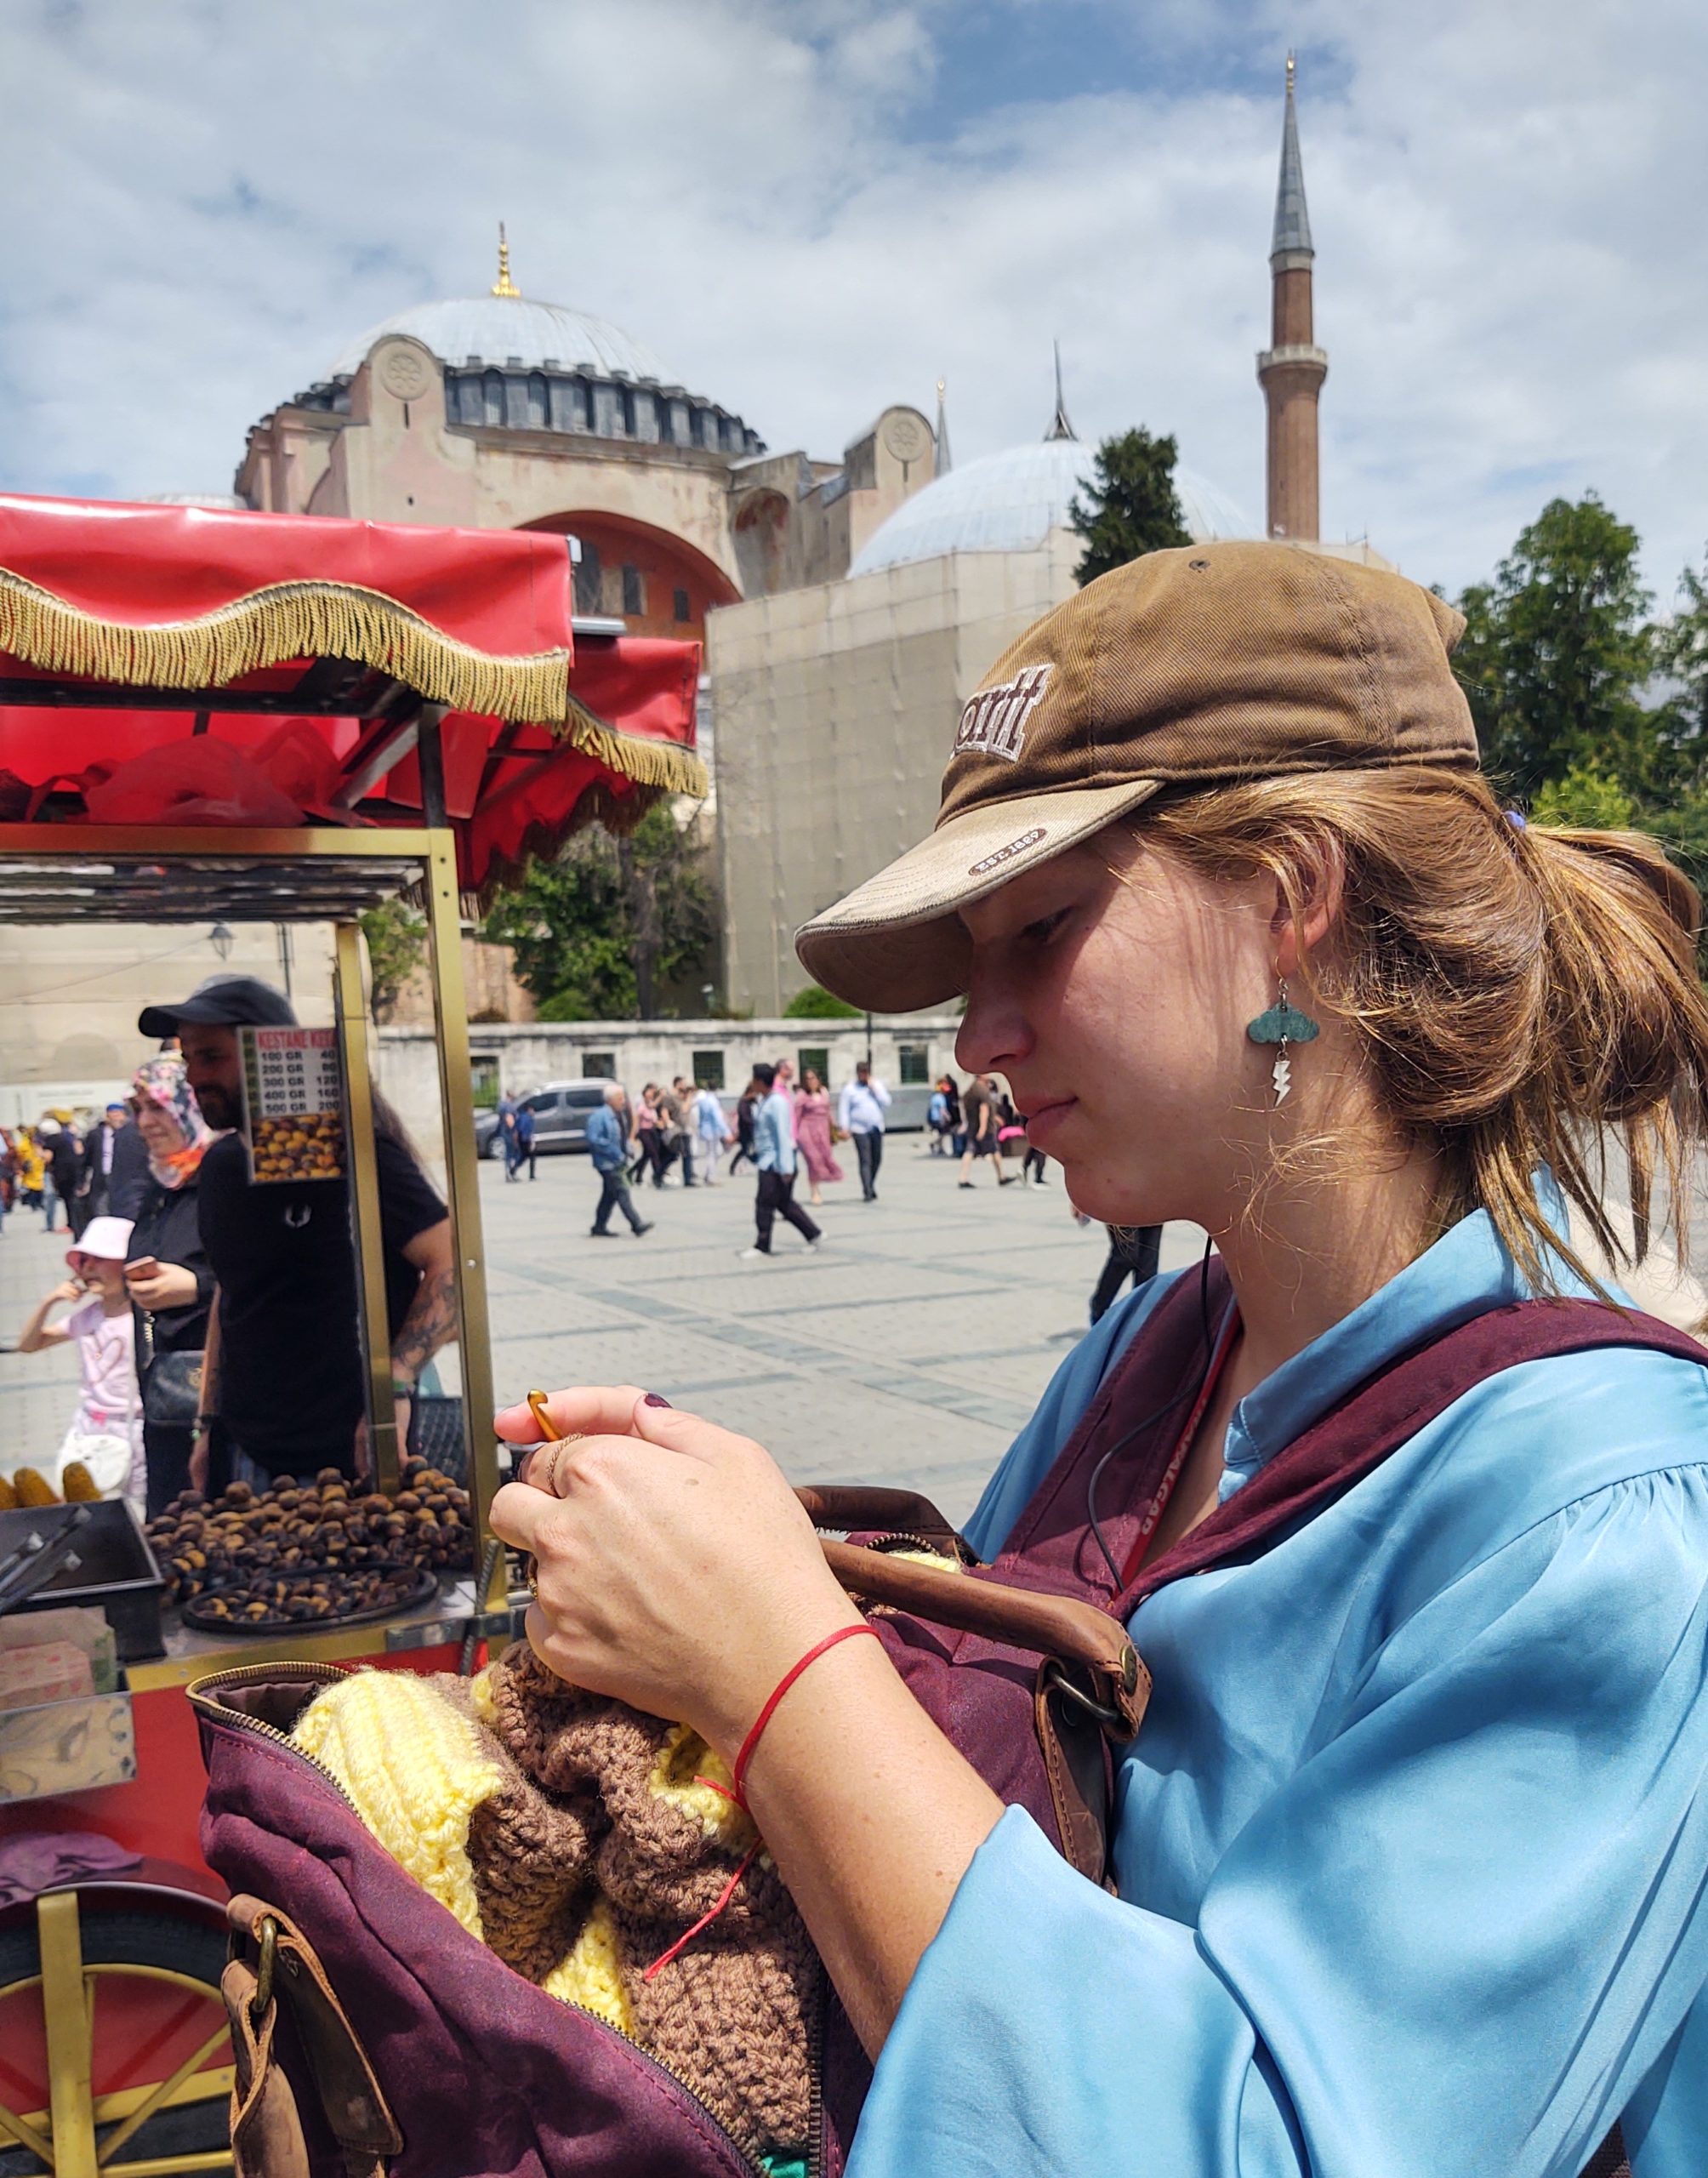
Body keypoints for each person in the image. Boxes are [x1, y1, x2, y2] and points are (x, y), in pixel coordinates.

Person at [492, 542, 1708, 2178]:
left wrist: (771, 1666)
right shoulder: (1148, 1349)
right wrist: (751, 1559)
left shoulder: (1599, 1516)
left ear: (1289, 904)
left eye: (1037, 934)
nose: (976, 1038)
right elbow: (974, 1759)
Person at [137, 976, 457, 1489]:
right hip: (245, 1452)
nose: (195, 1076)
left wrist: (393, 1390)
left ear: (271, 1055)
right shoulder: (219, 1167)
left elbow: (453, 1267)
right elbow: (231, 1293)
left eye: (212, 1057)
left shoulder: (357, 1155)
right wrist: (208, 1427)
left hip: (352, 1452)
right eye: (188, 1058)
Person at [122, 1057, 217, 1516]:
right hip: (163, 1391)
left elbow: (275, 1276)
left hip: (218, 1397)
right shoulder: (160, 1185)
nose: (145, 1122)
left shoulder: (225, 1178)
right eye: (138, 1108)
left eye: (157, 1107)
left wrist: (197, 1286)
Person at [15, 1216, 143, 1506]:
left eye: (100, 1260)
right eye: (83, 1261)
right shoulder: (88, 1316)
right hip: (87, 1426)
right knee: (83, 1506)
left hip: (130, 1427)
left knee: (134, 1508)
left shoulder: (140, 1318)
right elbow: (29, 1344)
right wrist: (49, 1302)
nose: (88, 1268)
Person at [738, 1063, 821, 1260]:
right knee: (784, 1203)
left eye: (754, 1080)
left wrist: (786, 1167)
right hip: (766, 1159)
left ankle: (762, 1244)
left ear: (760, 1081)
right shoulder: (764, 1100)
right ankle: (813, 1234)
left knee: (764, 1203)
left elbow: (783, 1136)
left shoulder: (777, 1103)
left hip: (775, 1162)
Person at [585, 1084, 653, 1240]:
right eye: (620, 1098)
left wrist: (627, 1150)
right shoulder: (599, 1116)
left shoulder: (618, 1115)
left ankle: (599, 1226)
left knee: (609, 1196)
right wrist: (615, 1152)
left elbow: (622, 1136)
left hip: (618, 1161)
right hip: (607, 1163)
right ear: (610, 1099)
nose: (623, 1101)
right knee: (622, 1191)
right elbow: (594, 1139)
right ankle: (637, 1224)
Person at [837, 1060, 891, 1202]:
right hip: (859, 1129)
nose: (863, 1075)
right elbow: (844, 1109)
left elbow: (887, 1102)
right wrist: (844, 1127)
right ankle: (867, 1189)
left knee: (877, 1159)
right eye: (861, 1072)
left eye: (866, 1072)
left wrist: (875, 1089)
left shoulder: (876, 1085)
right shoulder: (850, 1089)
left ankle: (871, 1183)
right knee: (865, 1159)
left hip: (876, 1127)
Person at [1088, 1221, 1160, 1324]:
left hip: (1154, 1206)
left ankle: (1141, 1319)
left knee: (1148, 1259)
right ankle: (1099, 1307)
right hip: (1120, 1206)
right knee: (1125, 1254)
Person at [792, 1067, 844, 1207]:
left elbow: (828, 1112)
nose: (810, 1081)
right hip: (807, 1131)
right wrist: (793, 1136)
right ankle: (815, 1191)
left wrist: (834, 1128)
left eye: (813, 1078)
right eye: (807, 1079)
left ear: (818, 1079)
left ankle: (822, 1180)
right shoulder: (802, 1095)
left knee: (825, 1157)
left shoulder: (823, 1092)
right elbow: (796, 1116)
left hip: (823, 1131)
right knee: (813, 1159)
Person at [957, 1074, 998, 1187]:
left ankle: (962, 1178)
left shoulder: (971, 1089)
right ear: (981, 1076)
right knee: (994, 1150)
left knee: (969, 1151)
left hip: (972, 1125)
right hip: (985, 1128)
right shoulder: (982, 1090)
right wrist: (983, 1129)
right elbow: (984, 1110)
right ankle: (1001, 1176)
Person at [692, 1080, 734, 1184]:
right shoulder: (712, 1101)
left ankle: (709, 1173)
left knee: (716, 1152)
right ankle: (710, 1177)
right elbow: (717, 1118)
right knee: (713, 1153)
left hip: (706, 1129)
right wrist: (726, 1132)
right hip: (712, 1130)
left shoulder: (704, 1099)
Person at [667, 1080, 698, 1188]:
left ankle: (688, 1177)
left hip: (685, 1131)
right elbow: (684, 1110)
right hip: (678, 1131)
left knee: (687, 1155)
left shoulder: (684, 1100)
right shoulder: (675, 1099)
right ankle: (659, 1173)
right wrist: (689, 1097)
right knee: (673, 1155)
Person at [729, 1082, 760, 1175]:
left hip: (750, 1130)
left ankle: (733, 1167)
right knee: (746, 1150)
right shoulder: (743, 1102)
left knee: (745, 1150)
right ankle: (757, 1163)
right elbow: (744, 1116)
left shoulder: (751, 1102)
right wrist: (752, 1123)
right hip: (745, 1130)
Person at [496, 1091, 522, 1183]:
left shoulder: (501, 1105)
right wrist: (515, 1132)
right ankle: (512, 1174)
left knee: (508, 1154)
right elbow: (510, 1119)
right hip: (510, 1132)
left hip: (504, 1132)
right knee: (515, 1153)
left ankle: (508, 1174)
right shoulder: (510, 1107)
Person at [514, 1098, 538, 1181]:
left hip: (523, 1138)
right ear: (530, 1110)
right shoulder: (527, 1118)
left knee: (526, 1156)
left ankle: (514, 1170)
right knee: (526, 1156)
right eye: (533, 1111)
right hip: (525, 1139)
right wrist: (530, 1142)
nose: (534, 1113)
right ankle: (514, 1171)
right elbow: (525, 1129)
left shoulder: (522, 1116)